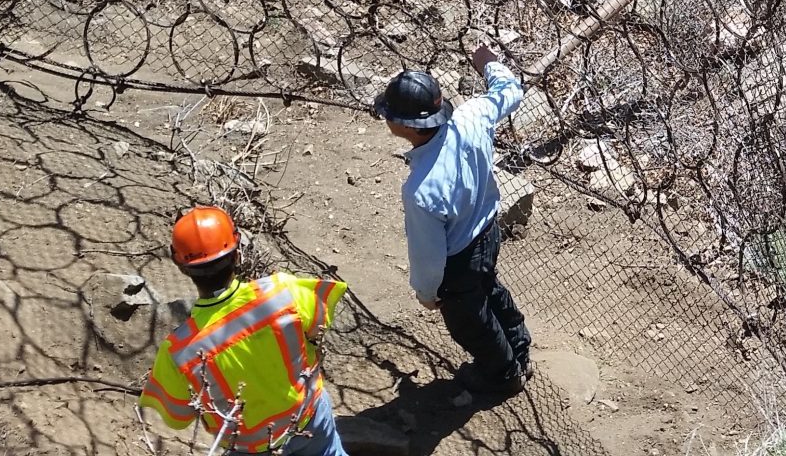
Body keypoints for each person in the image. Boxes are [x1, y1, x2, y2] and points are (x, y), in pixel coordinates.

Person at [375, 44, 534, 397]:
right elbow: (510, 90)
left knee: (469, 321)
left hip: (458, 258)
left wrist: (427, 292)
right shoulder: (472, 116)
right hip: (489, 231)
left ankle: (502, 374)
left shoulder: (421, 190)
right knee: (489, 288)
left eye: (389, 114)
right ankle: (520, 348)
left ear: (406, 126)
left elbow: (428, 256)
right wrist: (488, 63)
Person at [139, 205, 351, 455]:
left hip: (249, 446)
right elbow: (319, 322)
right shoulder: (285, 293)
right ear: (238, 253)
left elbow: (178, 417)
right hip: (308, 419)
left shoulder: (179, 351)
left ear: (181, 266)